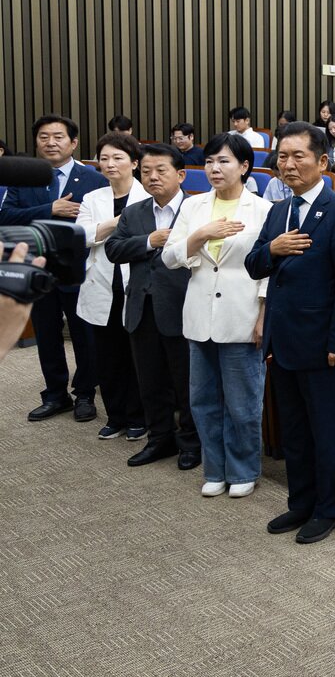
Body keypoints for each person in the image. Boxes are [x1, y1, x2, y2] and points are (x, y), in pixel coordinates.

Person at [246, 122, 335, 543]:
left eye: (299, 156)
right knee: (294, 430)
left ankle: (330, 509)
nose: (289, 164)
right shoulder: (279, 210)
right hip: (284, 340)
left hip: (324, 344)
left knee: (326, 430)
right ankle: (300, 503)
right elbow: (254, 265)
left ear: (322, 161)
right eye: (283, 156)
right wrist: (272, 249)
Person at [164, 133, 271, 499]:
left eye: (224, 161)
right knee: (204, 401)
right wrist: (200, 236)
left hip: (241, 314)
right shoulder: (194, 207)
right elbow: (170, 257)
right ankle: (215, 468)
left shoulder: (262, 209)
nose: (214, 168)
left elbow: (270, 269)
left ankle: (243, 469)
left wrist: (262, 315)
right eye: (210, 161)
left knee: (243, 403)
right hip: (199, 315)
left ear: (244, 167)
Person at [0, 114, 106, 422]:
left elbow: (100, 224)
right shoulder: (25, 176)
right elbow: (6, 217)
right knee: (46, 335)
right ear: (36, 142)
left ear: (73, 143)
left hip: (79, 268)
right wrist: (50, 209)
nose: (50, 142)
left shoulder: (94, 179)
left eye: (58, 137)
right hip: (38, 268)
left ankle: (85, 394)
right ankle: (55, 394)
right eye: (44, 137)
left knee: (84, 336)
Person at [105, 144, 201, 469]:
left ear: (181, 174)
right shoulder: (135, 211)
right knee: (150, 380)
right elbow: (113, 249)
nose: (152, 177)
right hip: (141, 308)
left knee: (186, 381)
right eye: (146, 171)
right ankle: (159, 439)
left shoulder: (198, 208)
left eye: (161, 170)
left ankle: (190, 442)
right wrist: (149, 241)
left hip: (183, 307)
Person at [77, 132, 150, 442]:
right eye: (104, 158)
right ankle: (115, 416)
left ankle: (138, 417)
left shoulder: (149, 196)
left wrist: (104, 229)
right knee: (107, 357)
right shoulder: (93, 198)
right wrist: (120, 222)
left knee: (137, 356)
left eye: (118, 158)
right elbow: (80, 236)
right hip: (101, 284)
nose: (110, 164)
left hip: (137, 285)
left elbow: (148, 241)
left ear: (134, 162)